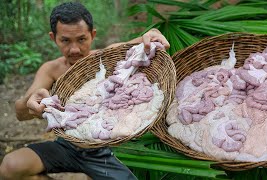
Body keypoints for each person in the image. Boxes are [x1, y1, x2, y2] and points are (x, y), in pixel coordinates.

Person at [0, 2, 169, 179]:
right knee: (10, 167)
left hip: (106, 149)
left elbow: (141, 42)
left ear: (92, 35)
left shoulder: (106, 57)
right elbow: (20, 112)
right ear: (53, 38)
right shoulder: (51, 70)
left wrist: (153, 35)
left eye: (81, 39)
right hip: (68, 146)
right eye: (65, 40)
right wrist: (31, 100)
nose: (74, 49)